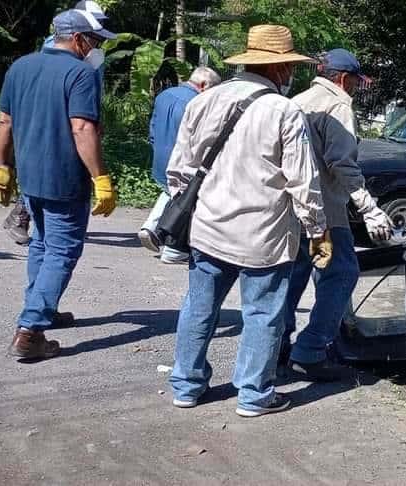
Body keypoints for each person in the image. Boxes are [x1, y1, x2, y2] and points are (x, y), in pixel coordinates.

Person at [166, 25, 329, 418]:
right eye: (289, 66)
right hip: (264, 236)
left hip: (208, 229)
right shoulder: (284, 111)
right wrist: (318, 230)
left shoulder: (204, 99)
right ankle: (254, 395)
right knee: (263, 314)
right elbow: (302, 181)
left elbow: (179, 169)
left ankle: (186, 386)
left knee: (199, 307)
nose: (291, 74)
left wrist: (194, 208)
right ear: (279, 69)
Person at [0, 9, 117, 361]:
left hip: (30, 177)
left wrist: (2, 167)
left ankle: (43, 307)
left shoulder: (21, 67)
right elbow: (82, 128)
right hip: (65, 179)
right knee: (61, 250)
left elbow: (4, 121)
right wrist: (100, 178)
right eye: (95, 40)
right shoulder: (80, 73)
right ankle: (31, 330)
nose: (97, 48)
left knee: (42, 245)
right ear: (78, 38)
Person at [280, 48, 392, 379]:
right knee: (340, 272)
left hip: (293, 209)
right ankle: (311, 351)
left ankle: (276, 347)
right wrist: (370, 210)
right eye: (356, 83)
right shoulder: (339, 104)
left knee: (294, 275)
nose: (355, 89)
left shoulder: (297, 101)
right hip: (326, 214)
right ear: (344, 79)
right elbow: (342, 163)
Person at [1, 0, 110, 246]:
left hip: (78, 114)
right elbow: (51, 88)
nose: (99, 37)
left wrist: (92, 118)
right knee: (51, 173)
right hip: (57, 119)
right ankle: (20, 217)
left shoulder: (88, 49)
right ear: (78, 33)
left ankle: (34, 223)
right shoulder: (60, 47)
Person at [137, 66, 222, 264]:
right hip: (181, 157)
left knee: (171, 191)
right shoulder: (198, 102)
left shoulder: (164, 95)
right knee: (185, 198)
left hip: (159, 152)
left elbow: (153, 125)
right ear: (204, 85)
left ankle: (152, 228)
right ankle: (173, 246)